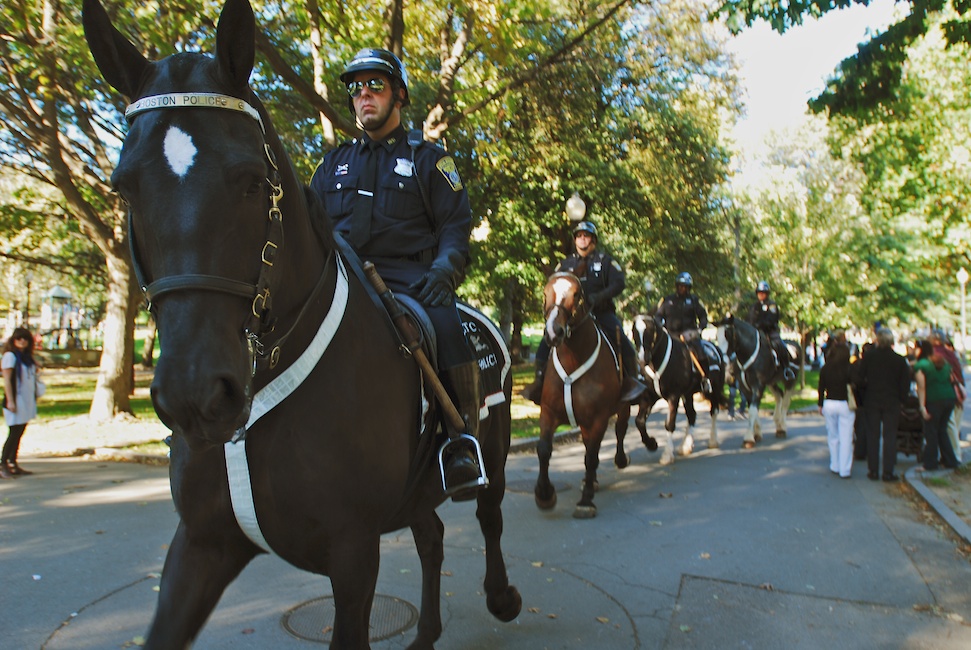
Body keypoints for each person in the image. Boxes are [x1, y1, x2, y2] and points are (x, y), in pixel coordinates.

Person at [310, 48, 483, 500]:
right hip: (339, 277)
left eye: (375, 86)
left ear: (399, 96)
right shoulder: (331, 165)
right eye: (356, 88)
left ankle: (461, 441)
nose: (364, 95)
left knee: (446, 324)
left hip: (410, 282)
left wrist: (446, 268)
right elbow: (307, 228)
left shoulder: (430, 160)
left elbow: (454, 226)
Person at [522, 220, 646, 405]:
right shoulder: (565, 263)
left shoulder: (605, 261)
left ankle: (631, 382)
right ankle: (539, 382)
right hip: (571, 317)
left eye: (586, 236)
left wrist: (599, 296)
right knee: (545, 340)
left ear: (593, 240)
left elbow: (619, 283)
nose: (582, 239)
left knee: (622, 341)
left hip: (601, 313)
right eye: (578, 236)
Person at [857, 327, 911, 481]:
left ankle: (873, 470)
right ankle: (888, 471)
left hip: (872, 400)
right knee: (890, 436)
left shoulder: (869, 357)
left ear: (878, 340)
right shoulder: (900, 360)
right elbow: (904, 384)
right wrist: (902, 400)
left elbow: (860, 378)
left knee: (873, 435)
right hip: (892, 401)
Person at [655, 272, 712, 392]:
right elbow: (658, 317)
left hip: (689, 337)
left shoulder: (694, 300)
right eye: (680, 286)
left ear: (689, 288)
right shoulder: (667, 300)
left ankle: (705, 380)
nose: (682, 288)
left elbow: (703, 318)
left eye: (685, 286)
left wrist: (696, 331)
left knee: (701, 353)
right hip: (670, 336)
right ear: (676, 286)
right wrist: (662, 328)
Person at [913, 339, 961, 472]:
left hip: (934, 400)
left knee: (931, 432)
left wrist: (922, 407)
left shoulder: (921, 365)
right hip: (949, 399)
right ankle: (950, 460)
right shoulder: (942, 362)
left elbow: (921, 387)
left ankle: (930, 463)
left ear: (920, 350)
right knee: (942, 430)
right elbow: (951, 379)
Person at [2, 328, 40, 479]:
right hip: (15, 400)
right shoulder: (10, 356)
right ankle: (3, 463)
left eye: (25, 339)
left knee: (20, 431)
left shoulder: (27, 358)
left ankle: (13, 462)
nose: (22, 341)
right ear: (13, 340)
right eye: (19, 339)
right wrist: (11, 400)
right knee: (13, 432)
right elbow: (7, 381)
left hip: (26, 400)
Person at [817, 331, 855, 478]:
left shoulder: (825, 368)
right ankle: (845, 469)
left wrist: (820, 404)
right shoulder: (848, 368)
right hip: (845, 404)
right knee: (846, 438)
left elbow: (821, 387)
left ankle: (835, 464)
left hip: (829, 403)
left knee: (833, 436)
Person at [746, 281, 796, 381]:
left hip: (769, 331)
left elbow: (772, 319)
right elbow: (749, 319)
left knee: (779, 344)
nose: (760, 294)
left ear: (767, 294)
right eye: (759, 292)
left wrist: (761, 325)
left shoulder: (772, 305)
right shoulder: (753, 307)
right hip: (756, 332)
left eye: (763, 292)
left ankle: (786, 368)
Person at [929, 330, 964, 458]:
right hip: (957, 392)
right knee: (952, 425)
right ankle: (951, 455)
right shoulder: (950, 353)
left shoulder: (935, 354)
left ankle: (954, 455)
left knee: (949, 425)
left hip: (945, 393)